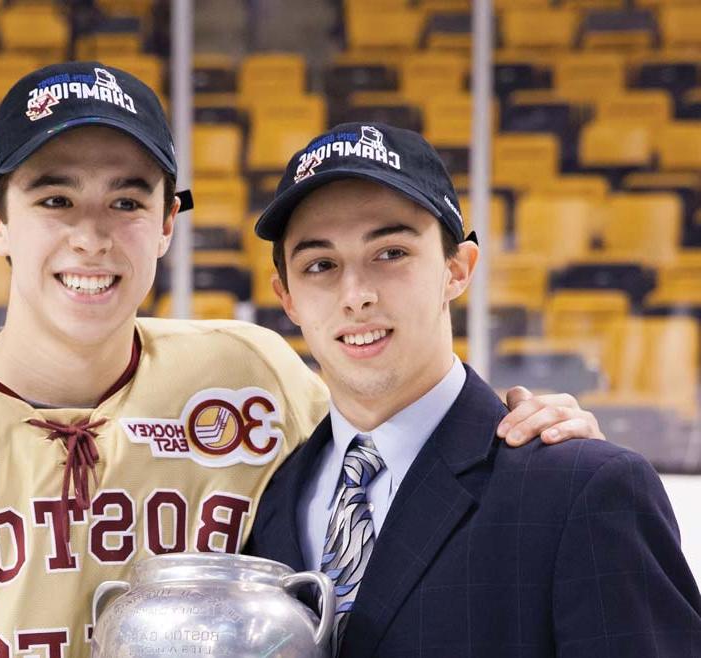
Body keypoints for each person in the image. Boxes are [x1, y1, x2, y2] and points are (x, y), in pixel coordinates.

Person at [0, 64, 602, 658]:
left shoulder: (249, 377)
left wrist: (538, 437)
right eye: (53, 197)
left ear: (166, 225)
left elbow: (397, 444)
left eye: (126, 198)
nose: (92, 233)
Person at [245, 121, 701, 657]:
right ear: (288, 298)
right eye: (320, 265)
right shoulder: (265, 499)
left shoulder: (583, 489)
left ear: (457, 268)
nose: (356, 295)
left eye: (390, 253)